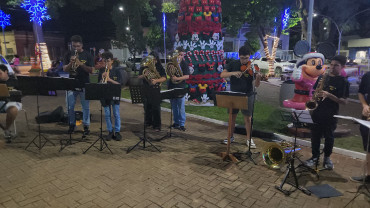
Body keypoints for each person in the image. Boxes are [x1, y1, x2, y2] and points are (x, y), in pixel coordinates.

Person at [305, 55, 349, 170]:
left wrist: (329, 95)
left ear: (342, 67)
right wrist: (314, 96)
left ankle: (327, 158)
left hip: (330, 114)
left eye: (336, 65)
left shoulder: (343, 82)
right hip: (317, 112)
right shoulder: (322, 77)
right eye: (332, 64)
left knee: (329, 137)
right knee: (315, 136)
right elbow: (315, 90)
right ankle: (314, 157)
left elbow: (344, 101)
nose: (332, 67)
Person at [220, 46, 261, 149]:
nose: (244, 61)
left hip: (247, 94)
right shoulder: (233, 64)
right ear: (239, 56)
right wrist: (233, 73)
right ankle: (230, 137)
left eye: (246, 58)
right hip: (234, 94)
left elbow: (256, 85)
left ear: (249, 57)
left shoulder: (252, 66)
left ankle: (249, 139)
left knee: (248, 118)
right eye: (242, 58)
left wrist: (258, 78)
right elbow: (222, 74)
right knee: (232, 116)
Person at [63, 35, 94, 135]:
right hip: (71, 83)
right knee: (70, 106)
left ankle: (86, 126)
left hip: (84, 83)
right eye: (74, 46)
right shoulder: (68, 54)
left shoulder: (88, 55)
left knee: (85, 106)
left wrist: (80, 63)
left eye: (77, 46)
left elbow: (92, 71)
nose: (75, 48)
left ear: (82, 45)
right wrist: (70, 63)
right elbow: (64, 69)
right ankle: (72, 124)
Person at [97, 52, 124, 141]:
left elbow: (120, 84)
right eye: (104, 61)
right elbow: (99, 85)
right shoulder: (101, 71)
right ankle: (110, 131)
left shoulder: (117, 71)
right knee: (107, 115)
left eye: (108, 61)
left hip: (115, 95)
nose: (106, 63)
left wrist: (109, 80)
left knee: (116, 114)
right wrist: (102, 79)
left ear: (112, 61)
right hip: (105, 96)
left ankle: (117, 131)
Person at [138, 52, 167, 131]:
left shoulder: (159, 66)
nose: (151, 60)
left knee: (156, 107)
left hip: (155, 88)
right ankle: (148, 122)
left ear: (156, 59)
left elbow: (164, 77)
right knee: (147, 107)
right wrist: (145, 75)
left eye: (153, 59)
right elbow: (139, 76)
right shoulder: (144, 65)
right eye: (150, 59)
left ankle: (157, 125)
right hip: (146, 88)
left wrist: (156, 80)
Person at [350, 71, 370, 183]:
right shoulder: (368, 75)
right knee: (368, 147)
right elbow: (361, 92)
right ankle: (369, 175)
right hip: (367, 116)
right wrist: (365, 105)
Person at [168, 47, 190, 131]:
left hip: (180, 87)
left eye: (182, 55)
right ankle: (176, 122)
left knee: (181, 106)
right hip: (172, 87)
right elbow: (168, 74)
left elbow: (187, 76)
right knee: (174, 106)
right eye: (180, 55)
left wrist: (177, 78)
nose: (181, 57)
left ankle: (181, 124)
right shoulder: (171, 63)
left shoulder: (184, 64)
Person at [0, 64, 21, 143]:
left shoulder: (15, 82)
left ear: (6, 72)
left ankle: (7, 129)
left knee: (13, 110)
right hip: (1, 102)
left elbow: (21, 93)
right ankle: (5, 130)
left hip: (13, 101)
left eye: (0, 73)